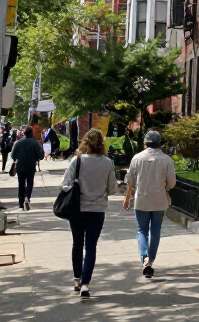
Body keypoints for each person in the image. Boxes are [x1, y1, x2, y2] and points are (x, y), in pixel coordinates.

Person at [61, 128, 118, 299]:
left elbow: (65, 184)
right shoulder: (107, 162)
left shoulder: (76, 161)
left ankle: (77, 279)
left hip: (77, 209)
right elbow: (113, 189)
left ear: (85, 141)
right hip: (97, 209)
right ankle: (86, 283)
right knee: (91, 246)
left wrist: (78, 189)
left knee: (77, 244)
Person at [123, 129, 176, 277]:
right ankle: (151, 260)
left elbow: (130, 180)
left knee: (142, 230)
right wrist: (163, 188)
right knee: (156, 230)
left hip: (141, 200)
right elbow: (171, 183)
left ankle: (144, 257)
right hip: (159, 200)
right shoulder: (167, 160)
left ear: (145, 142)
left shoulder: (137, 158)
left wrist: (127, 198)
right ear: (159, 143)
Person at [10, 126, 44, 210]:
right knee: (30, 183)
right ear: (31, 133)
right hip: (31, 166)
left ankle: (21, 202)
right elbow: (41, 156)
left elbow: (13, 155)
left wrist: (18, 158)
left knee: (21, 184)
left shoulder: (18, 143)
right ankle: (27, 198)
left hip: (20, 166)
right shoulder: (35, 143)